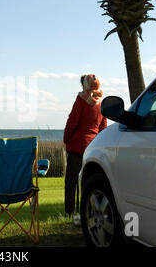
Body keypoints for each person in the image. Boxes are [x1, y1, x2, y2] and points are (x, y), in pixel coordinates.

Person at [63, 74, 107, 218]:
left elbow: (72, 122)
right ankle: (88, 213)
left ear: (85, 85)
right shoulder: (101, 101)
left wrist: (66, 139)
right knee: (88, 181)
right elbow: (103, 127)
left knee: (71, 181)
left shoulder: (81, 99)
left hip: (76, 146)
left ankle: (69, 212)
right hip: (93, 147)